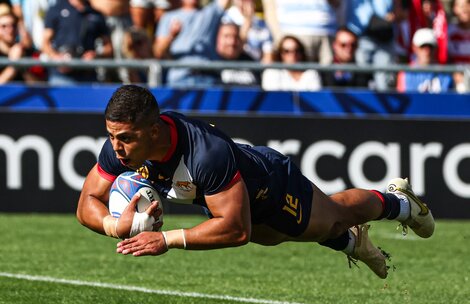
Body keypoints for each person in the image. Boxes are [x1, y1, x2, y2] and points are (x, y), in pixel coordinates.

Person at [76, 85, 436, 280]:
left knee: (333, 217)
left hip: (271, 184)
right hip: (232, 197)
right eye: (111, 136)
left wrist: (165, 239)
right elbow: (87, 201)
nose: (116, 148)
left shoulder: (205, 153)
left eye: (125, 137)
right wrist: (113, 225)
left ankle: (399, 202)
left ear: (153, 131)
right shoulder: (121, 149)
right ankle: (352, 243)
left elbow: (235, 231)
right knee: (270, 237)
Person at [153, 0, 231, 86]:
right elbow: (158, 52)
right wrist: (172, 36)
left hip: (209, 78)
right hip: (180, 79)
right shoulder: (168, 17)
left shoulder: (210, 12)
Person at [42, 0, 114, 85]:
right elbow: (45, 43)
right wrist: (56, 57)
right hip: (61, 76)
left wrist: (96, 55)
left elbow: (108, 48)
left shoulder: (96, 13)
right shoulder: (56, 8)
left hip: (88, 75)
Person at [262, 0, 341, 64]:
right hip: (292, 32)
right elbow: (270, 7)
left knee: (327, 77)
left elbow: (337, 3)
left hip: (326, 32)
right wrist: (278, 37)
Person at [346, 0, 397, 90]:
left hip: (384, 37)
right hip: (361, 36)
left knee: (383, 82)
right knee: (361, 78)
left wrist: (394, 15)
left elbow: (397, 10)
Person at [396, 28, 453, 93]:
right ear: (414, 48)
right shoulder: (405, 74)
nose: (427, 51)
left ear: (436, 48)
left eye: (430, 47)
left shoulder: (445, 74)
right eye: (422, 46)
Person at [215, 21, 259, 86]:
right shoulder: (209, 65)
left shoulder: (251, 63)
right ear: (217, 39)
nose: (232, 42)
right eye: (226, 36)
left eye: (236, 37)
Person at [448, 0, 470, 93]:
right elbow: (447, 59)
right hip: (456, 82)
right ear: (454, 9)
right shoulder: (449, 31)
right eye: (461, 6)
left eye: (467, 4)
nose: (464, 9)